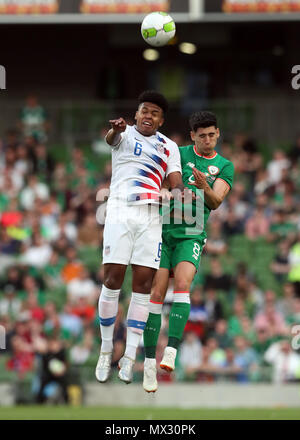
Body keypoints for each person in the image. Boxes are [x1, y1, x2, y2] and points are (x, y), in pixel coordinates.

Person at [142, 111, 234, 392]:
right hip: (162, 230)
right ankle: (148, 364)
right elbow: (158, 178)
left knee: (182, 285)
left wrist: (204, 185)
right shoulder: (176, 153)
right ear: (193, 136)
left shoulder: (224, 165)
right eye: (202, 135)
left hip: (191, 233)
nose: (207, 139)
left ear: (218, 133)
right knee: (156, 294)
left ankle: (171, 351)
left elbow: (217, 201)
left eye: (212, 134)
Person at [95, 90, 183, 384]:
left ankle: (129, 356)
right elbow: (112, 140)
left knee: (143, 284)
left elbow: (176, 184)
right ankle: (107, 349)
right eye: (144, 110)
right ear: (136, 114)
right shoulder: (124, 134)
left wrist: (175, 193)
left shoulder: (169, 147)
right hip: (120, 210)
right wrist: (114, 130)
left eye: (155, 112)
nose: (148, 115)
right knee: (112, 279)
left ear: (162, 119)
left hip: (152, 217)